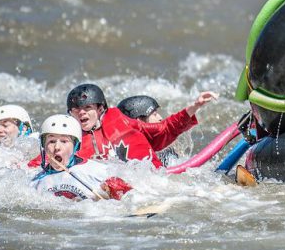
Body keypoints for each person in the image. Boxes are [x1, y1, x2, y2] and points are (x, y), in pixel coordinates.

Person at [28, 83, 218, 168]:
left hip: (156, 183)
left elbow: (164, 130)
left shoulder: (120, 120)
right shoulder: (69, 139)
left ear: (101, 108)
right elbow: (44, 161)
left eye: (87, 108)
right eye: (76, 110)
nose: (82, 113)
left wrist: (195, 106)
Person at [31, 114, 132, 201]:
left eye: (64, 141)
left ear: (76, 146)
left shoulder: (99, 172)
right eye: (52, 141)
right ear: (43, 146)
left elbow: (135, 198)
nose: (57, 147)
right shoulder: (34, 183)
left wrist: (118, 194)